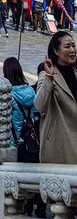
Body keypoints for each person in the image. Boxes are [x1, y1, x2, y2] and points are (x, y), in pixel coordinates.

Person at [35, 31, 77, 164]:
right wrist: (49, 77)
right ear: (56, 51)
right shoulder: (47, 75)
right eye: (67, 46)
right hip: (59, 145)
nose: (72, 50)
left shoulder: (75, 73)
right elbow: (39, 105)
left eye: (74, 46)